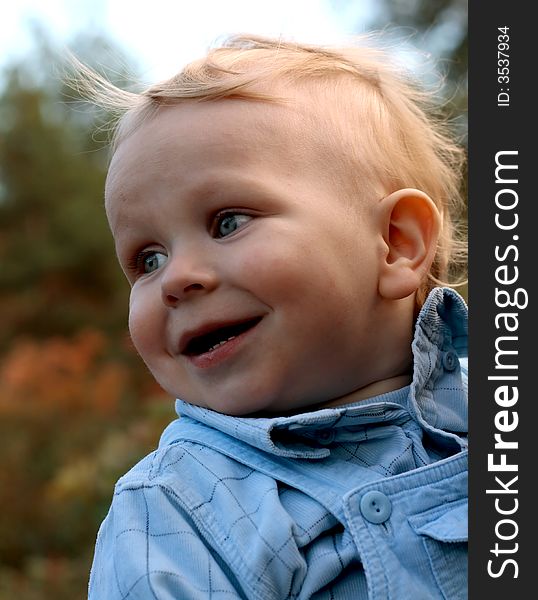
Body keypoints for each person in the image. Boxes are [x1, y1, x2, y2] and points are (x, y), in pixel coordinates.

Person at [83, 34, 468, 599]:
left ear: (394, 243)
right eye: (148, 259)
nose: (177, 277)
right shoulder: (177, 508)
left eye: (228, 222)